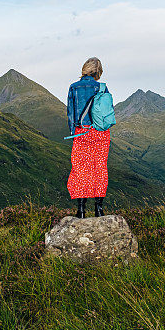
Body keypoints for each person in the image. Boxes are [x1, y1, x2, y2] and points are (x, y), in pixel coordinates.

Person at [66, 57, 110, 218]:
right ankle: (99, 209)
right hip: (100, 133)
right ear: (98, 72)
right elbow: (108, 111)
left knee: (80, 169)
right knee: (99, 168)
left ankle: (81, 210)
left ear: (84, 69)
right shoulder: (102, 88)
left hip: (81, 132)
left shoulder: (74, 87)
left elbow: (70, 112)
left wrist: (74, 132)